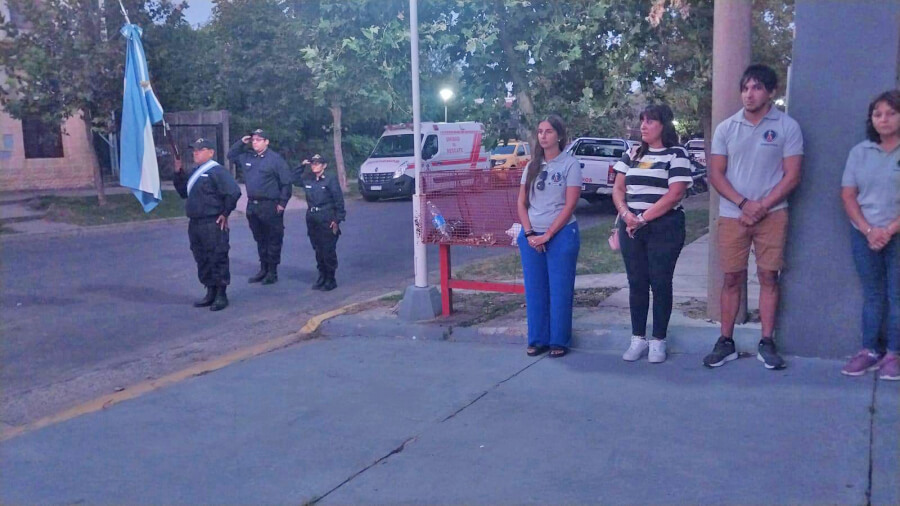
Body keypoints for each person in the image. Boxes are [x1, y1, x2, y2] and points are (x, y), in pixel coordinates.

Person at [704, 64, 804, 370]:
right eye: (745, 88)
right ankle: (726, 342)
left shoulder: (787, 127)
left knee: (768, 276)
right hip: (733, 215)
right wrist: (744, 203)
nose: (749, 94)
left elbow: (792, 175)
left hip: (772, 214)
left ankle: (767, 342)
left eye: (757, 88)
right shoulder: (726, 128)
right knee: (731, 277)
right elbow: (716, 174)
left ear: (771, 92)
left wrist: (761, 206)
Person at [613, 104, 693, 364]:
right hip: (631, 226)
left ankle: (658, 339)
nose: (643, 126)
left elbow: (675, 193)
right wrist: (626, 214)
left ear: (664, 125)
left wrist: (643, 218)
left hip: (664, 227)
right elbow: (618, 188)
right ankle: (638, 338)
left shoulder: (676, 153)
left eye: (650, 121)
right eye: (642, 121)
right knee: (636, 282)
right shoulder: (633, 152)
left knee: (660, 282)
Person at [839, 90, 900, 380]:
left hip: (896, 234)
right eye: (878, 114)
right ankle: (870, 351)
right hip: (864, 235)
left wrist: (888, 230)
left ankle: (894, 354)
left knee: (897, 294)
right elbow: (848, 195)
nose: (884, 119)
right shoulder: (859, 152)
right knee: (873, 294)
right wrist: (869, 230)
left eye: (891, 113)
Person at [516, 115, 581, 358]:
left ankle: (559, 340)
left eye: (549, 131)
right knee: (535, 289)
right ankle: (538, 339)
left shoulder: (570, 164)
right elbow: (521, 203)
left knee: (560, 289)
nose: (543, 136)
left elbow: (570, 205)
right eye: (540, 131)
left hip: (561, 235)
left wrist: (549, 234)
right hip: (532, 236)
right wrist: (529, 233)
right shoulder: (531, 166)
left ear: (559, 136)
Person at [173, 138, 242, 311]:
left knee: (217, 256)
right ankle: (210, 291)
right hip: (195, 223)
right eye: (194, 150)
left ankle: (221, 294)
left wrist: (225, 213)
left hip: (212, 222)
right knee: (202, 258)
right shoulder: (194, 172)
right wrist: (178, 173)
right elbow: (183, 192)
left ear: (211, 152)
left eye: (200, 149)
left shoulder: (217, 171)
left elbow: (234, 192)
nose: (195, 153)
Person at [227, 128, 293, 285]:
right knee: (260, 239)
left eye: (258, 140)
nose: (255, 142)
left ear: (266, 142)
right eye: (253, 140)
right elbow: (231, 155)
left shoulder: (275, 160)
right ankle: (263, 269)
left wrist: (282, 204)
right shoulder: (248, 157)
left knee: (273, 239)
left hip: (270, 205)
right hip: (253, 205)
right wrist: (241, 142)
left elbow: (286, 183)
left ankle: (272, 272)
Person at [294, 154, 346, 291]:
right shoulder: (308, 179)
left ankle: (330, 279)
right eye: (312, 164)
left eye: (317, 164)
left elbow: (338, 200)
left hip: (326, 218)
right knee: (318, 249)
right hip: (312, 218)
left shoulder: (330, 179)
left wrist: (337, 219)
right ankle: (322, 276)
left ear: (324, 166)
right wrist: (301, 166)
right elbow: (293, 179)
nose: (314, 166)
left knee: (327, 250)